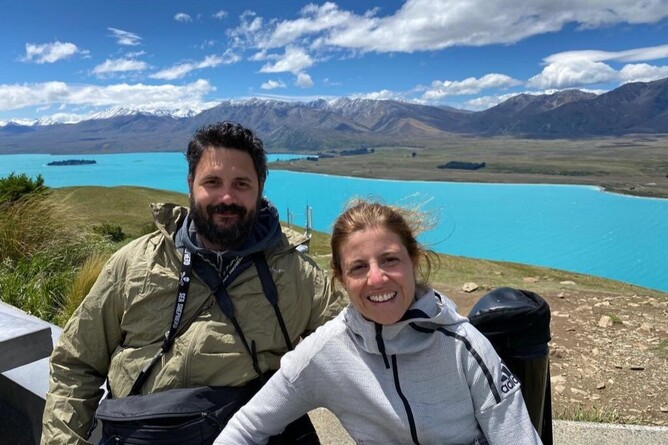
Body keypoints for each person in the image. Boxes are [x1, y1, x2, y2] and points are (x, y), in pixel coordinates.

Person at [40, 121, 343, 444]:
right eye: (212, 182)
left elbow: (358, 345)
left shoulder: (296, 273)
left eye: (241, 184)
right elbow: (76, 364)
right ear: (190, 184)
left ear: (260, 187)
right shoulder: (132, 264)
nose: (227, 197)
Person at [214, 200, 542, 445]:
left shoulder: (463, 345)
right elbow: (248, 426)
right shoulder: (326, 351)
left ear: (413, 262)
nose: (377, 278)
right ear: (341, 279)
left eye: (389, 260)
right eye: (358, 268)